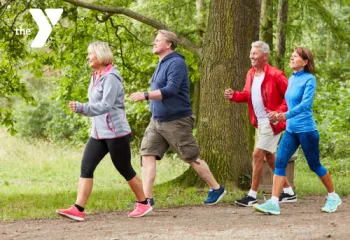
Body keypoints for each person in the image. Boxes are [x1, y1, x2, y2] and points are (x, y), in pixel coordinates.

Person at [56, 41, 152, 221]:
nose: (88, 57)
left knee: (124, 168)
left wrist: (82, 108)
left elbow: (106, 105)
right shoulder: (95, 76)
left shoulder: (111, 78)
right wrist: (84, 109)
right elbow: (96, 104)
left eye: (90, 54)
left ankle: (144, 203)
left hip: (116, 133)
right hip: (98, 134)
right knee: (86, 167)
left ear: (100, 55)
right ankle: (78, 209)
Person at [130, 30, 226, 206]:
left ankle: (216, 188)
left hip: (176, 120)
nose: (154, 42)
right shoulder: (161, 63)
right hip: (157, 120)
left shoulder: (176, 63)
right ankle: (146, 200)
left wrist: (145, 95)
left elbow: (171, 90)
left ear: (168, 44)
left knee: (191, 157)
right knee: (147, 154)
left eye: (157, 40)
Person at [253, 47, 342, 215]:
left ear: (305, 61)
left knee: (314, 165)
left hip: (307, 130)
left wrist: (284, 115)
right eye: (291, 55)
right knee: (280, 162)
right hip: (291, 130)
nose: (291, 58)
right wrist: (277, 114)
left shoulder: (309, 80)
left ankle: (333, 196)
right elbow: (289, 103)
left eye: (295, 56)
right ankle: (273, 203)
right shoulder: (292, 79)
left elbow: (305, 105)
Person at [224, 41, 296, 207]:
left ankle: (252, 195)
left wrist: (279, 113)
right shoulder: (250, 74)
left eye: (255, 54)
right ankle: (289, 192)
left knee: (257, 154)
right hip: (260, 123)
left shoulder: (276, 75)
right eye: (251, 53)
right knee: (270, 158)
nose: (251, 56)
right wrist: (234, 95)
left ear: (265, 56)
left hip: (273, 124)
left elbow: (290, 98)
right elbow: (247, 95)